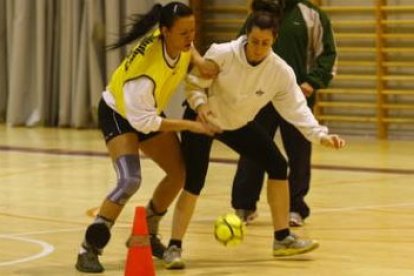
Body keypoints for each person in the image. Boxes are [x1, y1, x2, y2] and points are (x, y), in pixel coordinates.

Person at [161, 7, 345, 269]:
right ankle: (174, 247)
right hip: (202, 119)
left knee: (278, 165)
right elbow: (193, 84)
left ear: (274, 40)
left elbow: (297, 110)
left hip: (237, 123)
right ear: (247, 35)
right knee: (194, 182)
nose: (258, 48)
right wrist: (202, 109)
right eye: (255, 41)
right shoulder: (222, 54)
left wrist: (321, 136)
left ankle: (282, 239)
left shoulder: (280, 71)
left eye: (266, 43)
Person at [75, 2, 219, 273]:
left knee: (179, 174)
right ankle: (88, 249)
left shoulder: (175, 40)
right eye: (183, 33)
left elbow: (187, 46)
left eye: (193, 31)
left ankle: (147, 234)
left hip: (145, 110)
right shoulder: (145, 76)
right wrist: (191, 127)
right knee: (130, 180)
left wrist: (198, 60)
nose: (190, 38)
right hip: (119, 112)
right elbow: (148, 123)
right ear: (164, 32)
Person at [232, 0, 337, 226]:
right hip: (258, 97)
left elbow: (328, 53)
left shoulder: (312, 16)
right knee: (253, 149)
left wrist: (312, 82)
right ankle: (244, 205)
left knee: (298, 153)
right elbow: (238, 49)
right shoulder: (258, 16)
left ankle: (295, 208)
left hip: (296, 96)